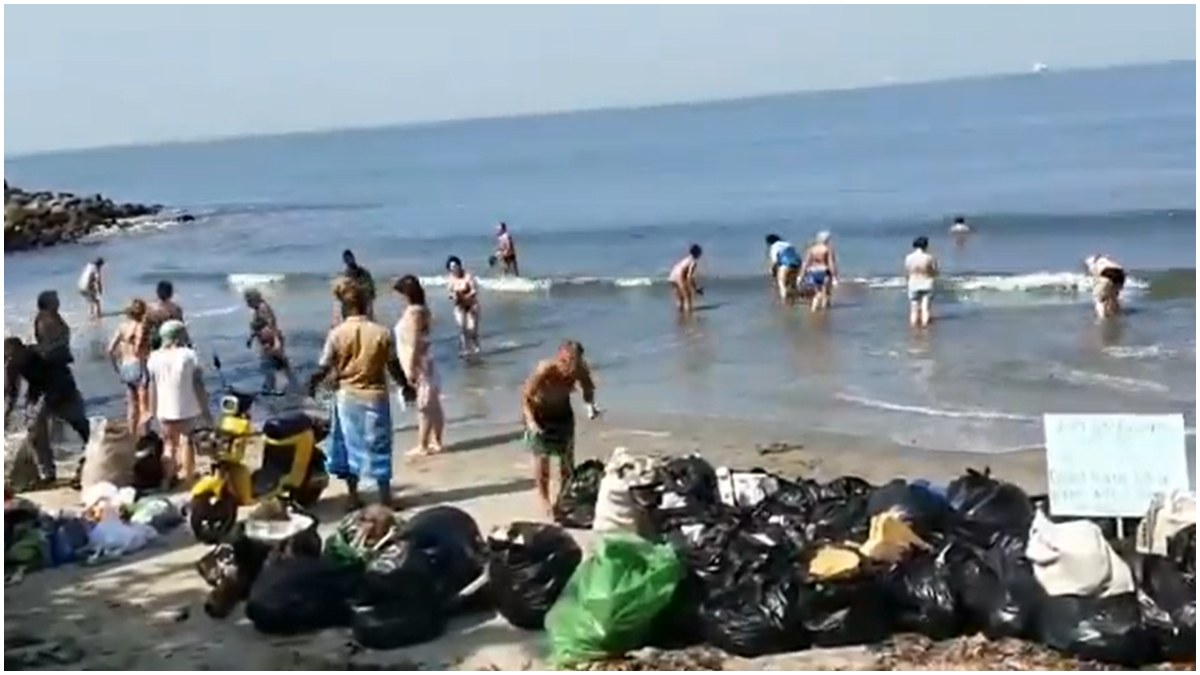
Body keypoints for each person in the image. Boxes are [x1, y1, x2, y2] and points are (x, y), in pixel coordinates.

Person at [308, 284, 413, 510]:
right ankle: (385, 498)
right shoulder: (381, 332)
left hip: (346, 397)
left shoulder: (336, 334)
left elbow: (323, 367)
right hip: (375, 396)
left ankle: (353, 497)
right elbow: (393, 365)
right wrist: (405, 386)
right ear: (366, 306)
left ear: (345, 309)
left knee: (347, 445)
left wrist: (313, 384)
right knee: (380, 446)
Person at [521, 340, 600, 515]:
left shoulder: (579, 370)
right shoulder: (545, 370)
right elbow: (526, 397)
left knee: (567, 460)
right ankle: (544, 499)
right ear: (559, 358)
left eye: (575, 362)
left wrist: (590, 405)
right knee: (542, 461)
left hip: (562, 413)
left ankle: (563, 497)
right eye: (566, 362)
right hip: (538, 414)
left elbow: (588, 388)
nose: (569, 367)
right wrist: (531, 422)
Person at [4, 337, 90, 485]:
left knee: (81, 426)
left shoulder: (41, 354)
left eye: (12, 355)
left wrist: (48, 401)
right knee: (35, 434)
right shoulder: (11, 364)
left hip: (64, 390)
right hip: (38, 393)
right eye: (7, 356)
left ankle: (90, 460)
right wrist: (6, 413)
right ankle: (47, 473)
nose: (10, 359)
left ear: (22, 349)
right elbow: (12, 392)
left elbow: (62, 373)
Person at [146, 320, 209, 487]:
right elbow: (198, 384)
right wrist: (205, 408)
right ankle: (188, 478)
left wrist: (151, 410)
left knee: (168, 443)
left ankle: (167, 478)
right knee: (187, 440)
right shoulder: (188, 355)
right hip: (186, 404)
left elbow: (152, 386)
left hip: (164, 407)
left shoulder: (153, 357)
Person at [394, 275, 444, 457]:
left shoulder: (415, 312)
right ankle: (436, 442)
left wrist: (410, 367)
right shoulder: (421, 310)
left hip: (420, 363)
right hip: (426, 360)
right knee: (433, 404)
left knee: (424, 406)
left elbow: (415, 340)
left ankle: (423, 445)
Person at [107, 299, 151, 434]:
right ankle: (145, 438)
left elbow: (109, 349)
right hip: (138, 365)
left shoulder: (121, 327)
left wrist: (116, 367)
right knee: (144, 407)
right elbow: (138, 349)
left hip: (125, 366)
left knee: (132, 405)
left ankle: (132, 436)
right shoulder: (140, 327)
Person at [244, 290, 293, 393]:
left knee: (274, 363)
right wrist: (251, 338)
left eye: (248, 300)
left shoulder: (263, 308)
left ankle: (275, 386)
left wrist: (276, 341)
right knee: (274, 363)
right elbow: (255, 327)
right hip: (265, 340)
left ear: (254, 298)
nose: (247, 303)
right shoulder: (256, 309)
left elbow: (272, 325)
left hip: (270, 339)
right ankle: (277, 384)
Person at [446, 255, 482, 355]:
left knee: (472, 329)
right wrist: (454, 296)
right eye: (451, 267)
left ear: (459, 265)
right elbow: (449, 293)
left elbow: (474, 290)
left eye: (455, 266)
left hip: (471, 305)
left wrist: (466, 296)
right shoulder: (450, 279)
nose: (454, 269)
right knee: (462, 327)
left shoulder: (468, 276)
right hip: (459, 306)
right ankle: (465, 349)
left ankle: (476, 347)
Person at [333, 249, 376, 324]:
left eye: (350, 258)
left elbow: (371, 295)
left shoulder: (364, 274)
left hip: (361, 306)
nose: (349, 261)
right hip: (349, 309)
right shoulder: (344, 276)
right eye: (347, 259)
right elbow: (338, 299)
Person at [800, 231, 839, 311]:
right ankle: (824, 313)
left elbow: (806, 263)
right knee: (825, 293)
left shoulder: (812, 249)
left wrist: (801, 275)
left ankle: (814, 309)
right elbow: (831, 263)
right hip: (824, 272)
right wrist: (834, 276)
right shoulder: (827, 249)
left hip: (813, 272)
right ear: (827, 240)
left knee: (817, 292)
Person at [905, 236, 939, 328]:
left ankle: (913, 329)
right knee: (925, 308)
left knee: (914, 309)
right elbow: (935, 272)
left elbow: (907, 272)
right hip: (927, 282)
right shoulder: (929, 258)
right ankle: (925, 329)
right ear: (926, 245)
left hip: (913, 283)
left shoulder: (908, 258)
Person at [33, 290, 72, 366]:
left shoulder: (53, 315)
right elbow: (46, 345)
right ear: (49, 303)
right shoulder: (46, 320)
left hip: (58, 357)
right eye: (56, 300)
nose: (58, 302)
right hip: (54, 361)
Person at [1085, 254, 1126, 320]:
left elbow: (1097, 280)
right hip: (1121, 276)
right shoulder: (1108, 261)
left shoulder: (1094, 265)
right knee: (1113, 296)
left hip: (1106, 275)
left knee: (1099, 299)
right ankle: (1116, 312)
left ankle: (1101, 319)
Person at [146, 280, 185, 350]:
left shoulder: (149, 307)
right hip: (169, 340)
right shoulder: (175, 309)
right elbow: (181, 328)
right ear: (171, 293)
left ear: (157, 292)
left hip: (153, 340)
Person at [765, 234, 803, 302]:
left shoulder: (774, 247)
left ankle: (784, 301)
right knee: (793, 284)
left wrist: (772, 270)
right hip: (797, 264)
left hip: (785, 265)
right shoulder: (788, 243)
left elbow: (775, 261)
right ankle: (797, 299)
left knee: (781, 284)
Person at [668, 244, 704, 314]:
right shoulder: (693, 262)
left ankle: (680, 312)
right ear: (697, 253)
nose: (701, 254)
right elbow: (689, 276)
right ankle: (688, 314)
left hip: (672, 276)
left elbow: (679, 268)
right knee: (688, 296)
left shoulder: (687, 259)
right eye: (700, 252)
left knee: (680, 298)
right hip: (679, 277)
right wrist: (696, 288)